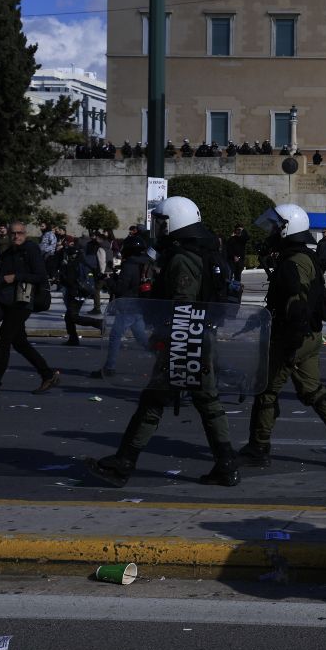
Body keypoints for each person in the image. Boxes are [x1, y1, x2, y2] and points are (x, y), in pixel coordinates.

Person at [84, 196, 240, 487]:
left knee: (154, 400)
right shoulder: (198, 252)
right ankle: (226, 464)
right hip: (198, 337)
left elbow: (182, 304)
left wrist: (169, 338)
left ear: (175, 223)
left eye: (161, 223)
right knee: (206, 401)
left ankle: (124, 463)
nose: (158, 228)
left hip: (184, 339)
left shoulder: (181, 258)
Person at [240, 204, 326, 469]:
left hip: (293, 337)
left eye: (275, 227)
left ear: (287, 229)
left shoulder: (292, 263)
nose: (271, 232)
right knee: (312, 390)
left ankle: (258, 448)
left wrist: (288, 343)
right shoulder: (303, 257)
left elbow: (296, 304)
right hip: (310, 335)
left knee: (266, 391)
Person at [0, 222, 59, 398]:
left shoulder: (31, 250)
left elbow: (41, 276)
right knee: (19, 342)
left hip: (23, 302)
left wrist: (17, 277)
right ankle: (48, 374)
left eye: (20, 233)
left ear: (25, 234)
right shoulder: (9, 252)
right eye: (13, 233)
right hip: (8, 302)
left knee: (3, 341)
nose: (16, 236)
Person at [93, 235, 150, 378]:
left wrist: (108, 280)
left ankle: (109, 367)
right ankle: (163, 359)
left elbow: (120, 289)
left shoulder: (129, 265)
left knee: (115, 336)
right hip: (139, 304)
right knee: (141, 337)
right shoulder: (145, 263)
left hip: (128, 305)